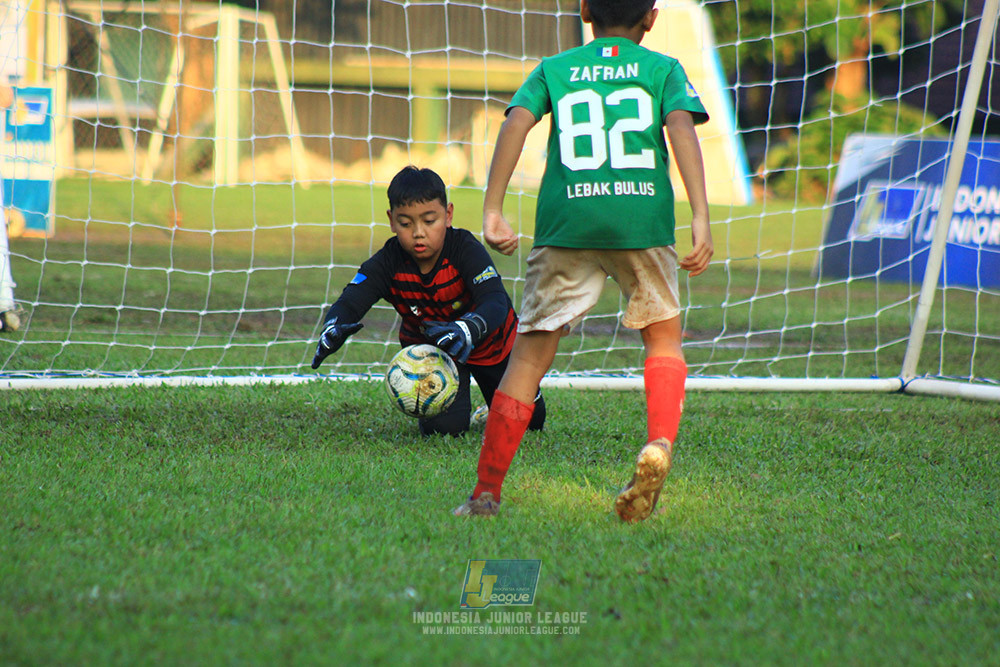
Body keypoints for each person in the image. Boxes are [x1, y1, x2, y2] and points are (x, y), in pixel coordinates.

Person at [453, 0, 713, 521]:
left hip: (567, 222)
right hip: (642, 221)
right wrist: (700, 216)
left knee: (528, 357)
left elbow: (516, 124)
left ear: (585, 11)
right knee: (662, 337)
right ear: (652, 17)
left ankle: (486, 493)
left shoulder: (556, 68)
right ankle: (658, 443)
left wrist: (493, 208)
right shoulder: (663, 69)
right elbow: (682, 130)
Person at [311, 165, 546, 436]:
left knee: (529, 424)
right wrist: (334, 325)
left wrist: (468, 328)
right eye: (406, 223)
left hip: (489, 343)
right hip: (435, 352)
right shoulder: (387, 262)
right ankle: (459, 409)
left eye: (429, 221)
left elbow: (494, 300)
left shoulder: (464, 249)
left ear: (448, 215)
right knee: (444, 431)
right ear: (391, 220)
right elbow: (350, 302)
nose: (418, 232)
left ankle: (495, 406)